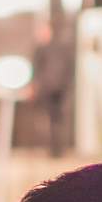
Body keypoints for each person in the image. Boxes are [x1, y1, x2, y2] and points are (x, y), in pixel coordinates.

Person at [29, 21, 74, 158]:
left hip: (57, 89)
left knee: (56, 120)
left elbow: (68, 69)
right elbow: (36, 70)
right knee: (53, 120)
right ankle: (54, 149)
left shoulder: (59, 49)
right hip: (49, 89)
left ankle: (57, 149)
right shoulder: (43, 49)